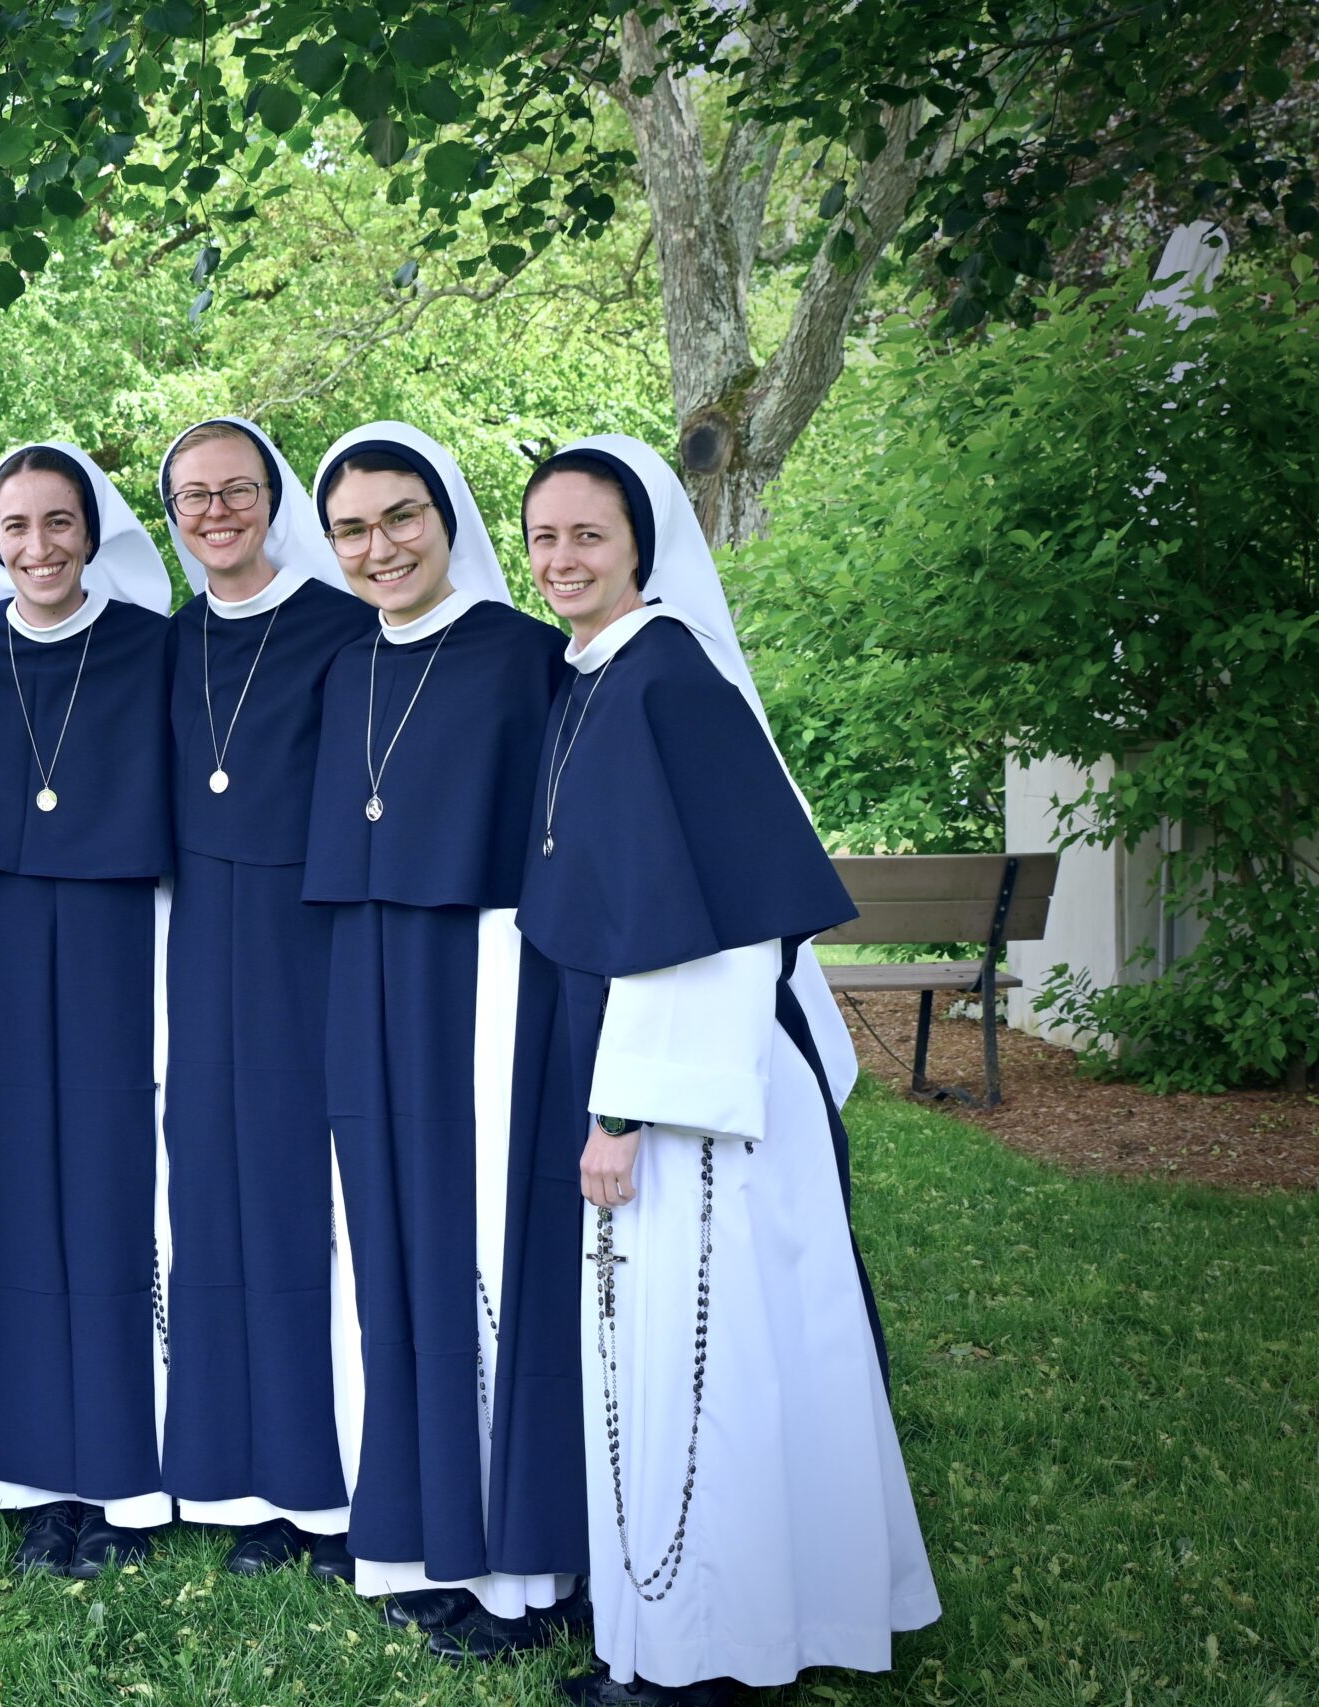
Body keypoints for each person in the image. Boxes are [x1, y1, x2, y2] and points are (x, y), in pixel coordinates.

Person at [513, 437, 939, 1705]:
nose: (560, 560)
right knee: (688, 1360)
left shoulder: (668, 680)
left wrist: (623, 1113)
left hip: (692, 1093)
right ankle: (702, 1632)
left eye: (587, 536)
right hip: (651, 1080)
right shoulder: (596, 673)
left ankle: (702, 1661)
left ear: (640, 545)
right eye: (542, 537)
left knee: (704, 1365)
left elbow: (723, 934)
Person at [302, 424, 591, 1659]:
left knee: (489, 1253)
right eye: (351, 529)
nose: (379, 547)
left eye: (400, 517)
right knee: (391, 1258)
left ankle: (523, 1561)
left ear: (447, 517)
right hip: (366, 981)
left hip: (487, 979)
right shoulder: (341, 668)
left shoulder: (528, 657)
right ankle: (418, 1533)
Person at [0, 442, 175, 1577]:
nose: (38, 547)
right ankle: (39, 1481)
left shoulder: (149, 644)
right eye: (16, 526)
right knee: (18, 1196)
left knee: (120, 1189)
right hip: (1, 936)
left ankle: (123, 1470)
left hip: (123, 932)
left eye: (59, 522)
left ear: (93, 531)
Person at [153, 417, 375, 1580]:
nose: (216, 513)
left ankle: (335, 1481)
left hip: (313, 940)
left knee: (314, 1202)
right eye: (192, 497)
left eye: (235, 489)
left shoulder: (345, 628)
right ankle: (237, 1473)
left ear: (273, 499)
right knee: (213, 1198)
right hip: (200, 947)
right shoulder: (170, 640)